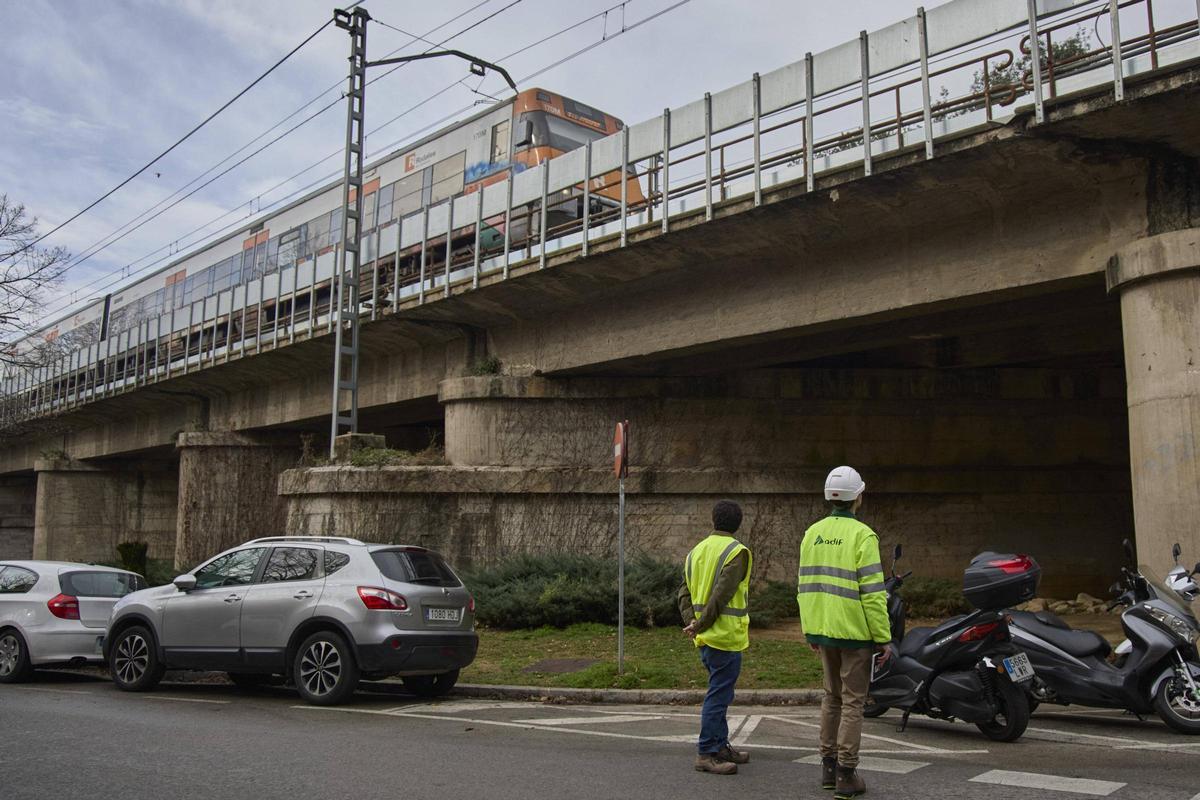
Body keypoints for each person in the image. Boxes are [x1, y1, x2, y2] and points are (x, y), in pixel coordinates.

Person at [798, 466, 892, 799]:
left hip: (823, 632)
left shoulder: (812, 533)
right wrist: (883, 637)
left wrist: (810, 629)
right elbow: (873, 593)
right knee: (853, 702)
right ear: (858, 497)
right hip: (855, 634)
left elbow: (805, 587)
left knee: (831, 698)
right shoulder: (863, 536)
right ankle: (846, 774)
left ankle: (827, 768)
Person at [677, 499, 753, 775]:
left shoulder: (696, 552)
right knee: (718, 696)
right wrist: (700, 624)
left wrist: (692, 622)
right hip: (724, 636)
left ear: (713, 520)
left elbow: (683, 593)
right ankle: (707, 752)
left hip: (705, 638)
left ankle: (720, 745)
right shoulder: (737, 552)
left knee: (720, 692)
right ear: (738, 523)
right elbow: (722, 595)